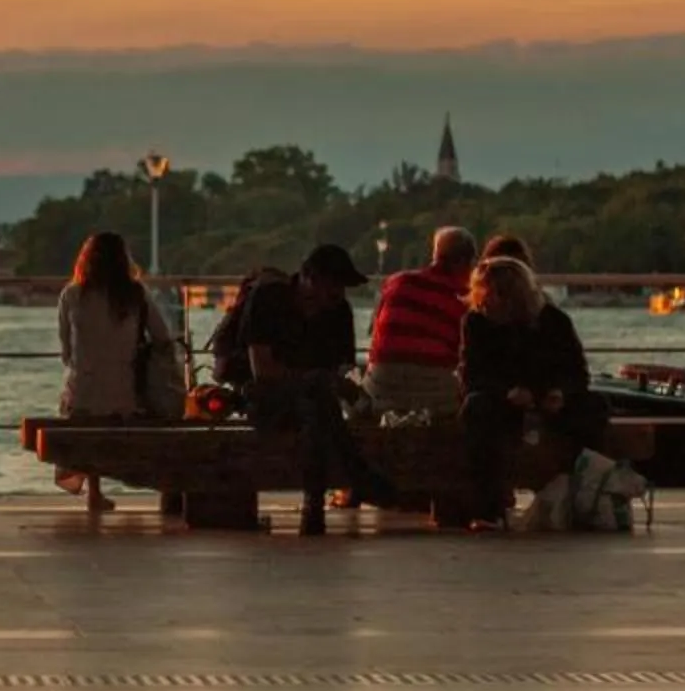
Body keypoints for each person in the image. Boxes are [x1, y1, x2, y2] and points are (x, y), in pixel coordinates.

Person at [239, 244, 398, 535]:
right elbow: (262, 371)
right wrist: (317, 379)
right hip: (269, 398)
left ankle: (315, 508)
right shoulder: (268, 299)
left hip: (317, 405)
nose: (339, 293)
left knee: (315, 410)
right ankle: (354, 478)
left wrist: (342, 387)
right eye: (334, 285)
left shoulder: (339, 312)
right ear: (309, 279)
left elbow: (342, 370)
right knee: (317, 394)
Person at [457, 254, 610, 531]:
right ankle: (486, 508)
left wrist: (561, 393)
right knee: (476, 408)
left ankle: (583, 494)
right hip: (503, 400)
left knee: (596, 406)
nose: (485, 302)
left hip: (548, 397)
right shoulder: (476, 322)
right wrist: (507, 392)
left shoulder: (554, 321)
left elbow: (577, 372)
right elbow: (472, 374)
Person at [55, 229, 181, 514]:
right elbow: (162, 336)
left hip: (83, 395)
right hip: (127, 395)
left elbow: (66, 352)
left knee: (82, 404)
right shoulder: (136, 294)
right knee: (118, 404)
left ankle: (94, 493)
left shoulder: (72, 294)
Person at [367, 225, 474, 417]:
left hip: (382, 386)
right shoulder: (465, 296)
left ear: (435, 254)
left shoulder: (397, 282)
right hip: (436, 393)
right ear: (465, 262)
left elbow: (376, 336)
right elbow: (465, 355)